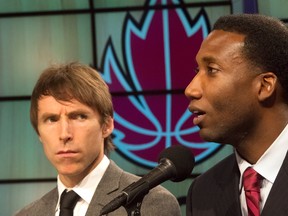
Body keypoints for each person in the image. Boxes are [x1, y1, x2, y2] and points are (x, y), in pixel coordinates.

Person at [15, 62, 181, 216]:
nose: (64, 134)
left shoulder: (152, 204)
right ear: (38, 132)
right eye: (51, 119)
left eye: (79, 117)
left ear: (107, 125)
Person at [185, 13, 288, 216]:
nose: (191, 89)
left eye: (212, 70)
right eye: (197, 70)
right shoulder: (202, 193)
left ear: (264, 85)